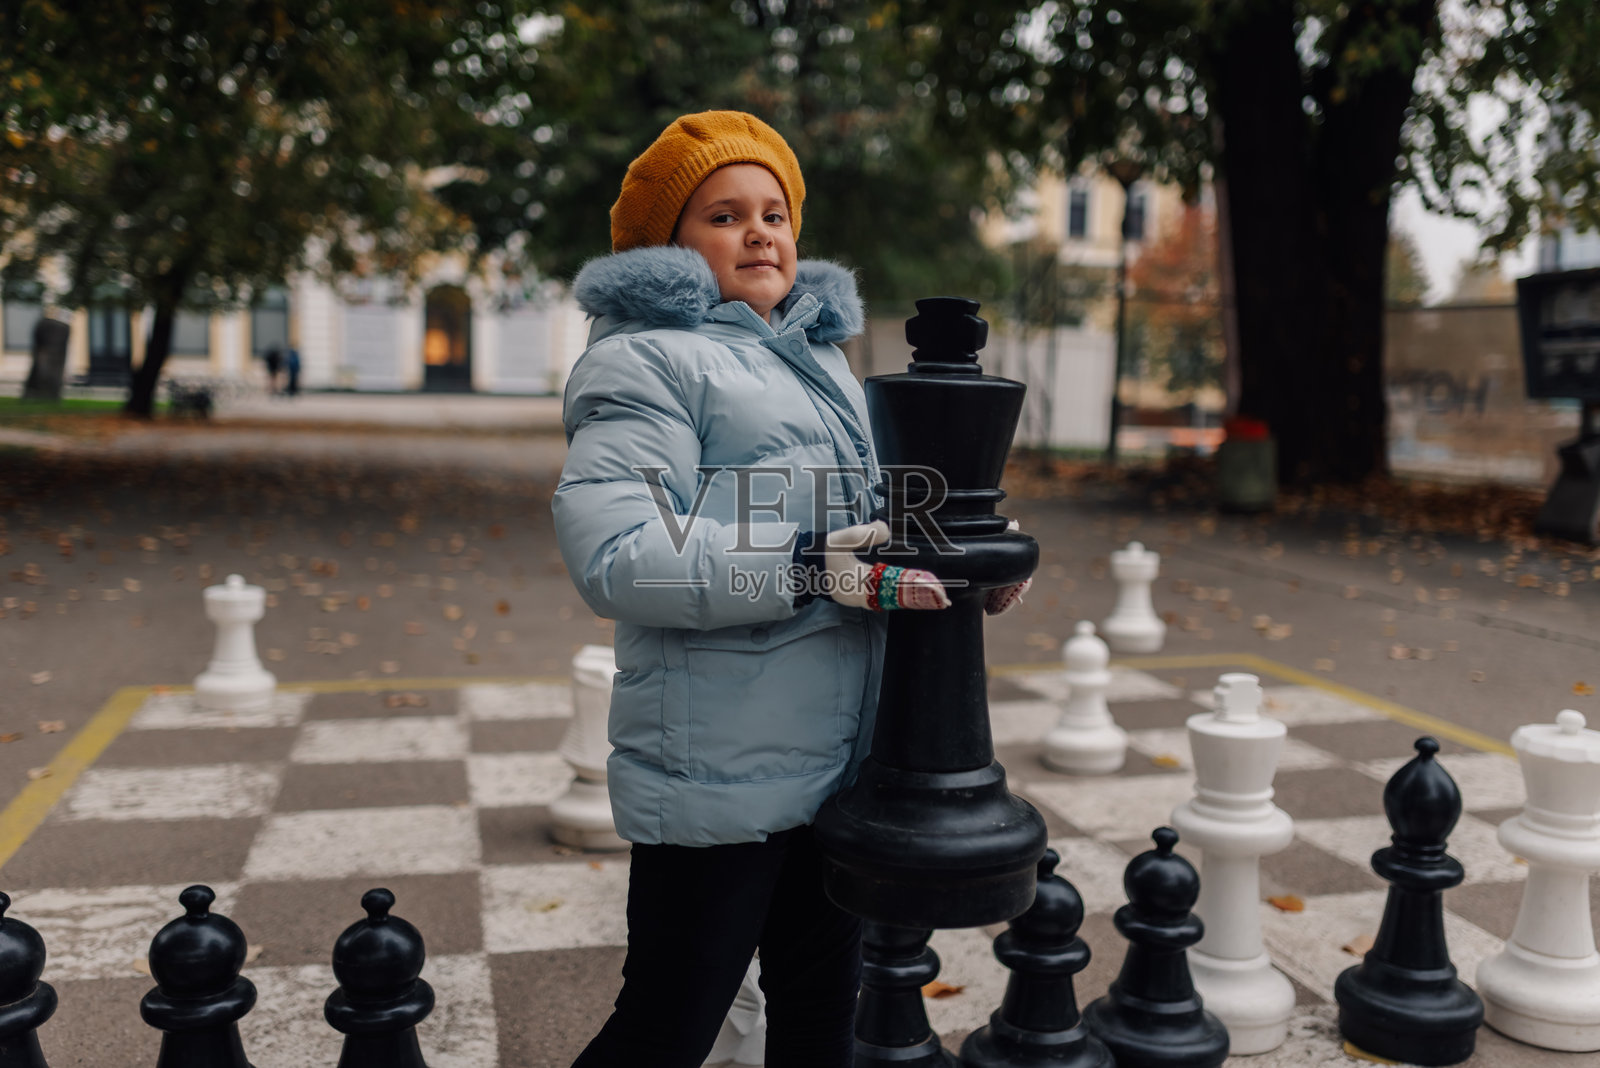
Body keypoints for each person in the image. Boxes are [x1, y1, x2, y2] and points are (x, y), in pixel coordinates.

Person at [552, 111, 1026, 1068]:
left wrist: (959, 563)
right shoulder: (646, 360)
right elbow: (622, 553)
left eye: (775, 211)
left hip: (844, 766)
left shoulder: (820, 363)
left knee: (819, 1021)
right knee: (666, 1027)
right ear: (668, 246)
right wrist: (814, 567)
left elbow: (872, 522)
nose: (760, 231)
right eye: (723, 215)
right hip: (719, 768)